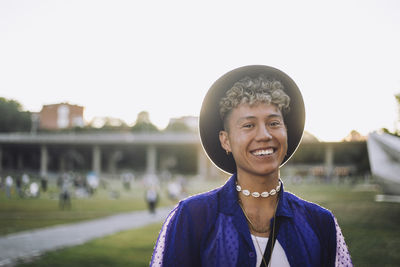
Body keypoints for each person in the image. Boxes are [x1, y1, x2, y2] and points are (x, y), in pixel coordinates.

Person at [151, 65, 353, 267]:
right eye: (249, 125)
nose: (265, 135)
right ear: (226, 141)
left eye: (274, 123)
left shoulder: (320, 223)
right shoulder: (192, 217)